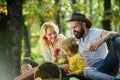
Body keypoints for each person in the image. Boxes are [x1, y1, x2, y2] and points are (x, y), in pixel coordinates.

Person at [66, 12, 120, 80]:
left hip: (106, 65)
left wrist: (99, 41)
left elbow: (115, 34)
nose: (73, 30)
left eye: (75, 27)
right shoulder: (76, 40)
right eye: (71, 28)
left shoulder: (95, 32)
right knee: (87, 70)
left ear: (83, 24)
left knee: (117, 40)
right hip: (93, 72)